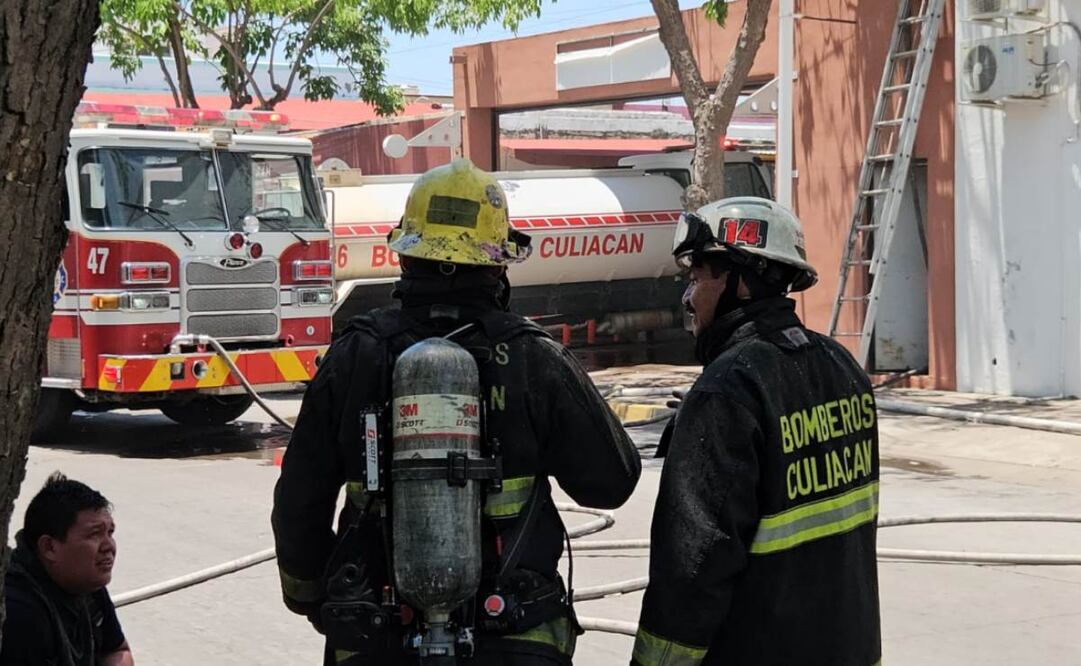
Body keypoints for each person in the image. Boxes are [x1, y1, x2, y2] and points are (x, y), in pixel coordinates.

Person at [273, 158, 641, 665]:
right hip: (515, 635)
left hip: (376, 634)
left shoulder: (355, 356)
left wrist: (311, 595)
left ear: (406, 255)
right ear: (497, 265)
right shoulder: (534, 358)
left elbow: (299, 500)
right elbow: (611, 482)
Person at [632, 197, 881, 666]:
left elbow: (693, 566)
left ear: (739, 282)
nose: (688, 297)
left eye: (697, 278)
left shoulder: (728, 390)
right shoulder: (842, 367)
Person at [1, 472, 134, 666]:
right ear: (49, 547)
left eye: (110, 532)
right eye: (94, 534)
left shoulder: (86, 583)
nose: (109, 546)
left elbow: (117, 650)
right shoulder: (20, 612)